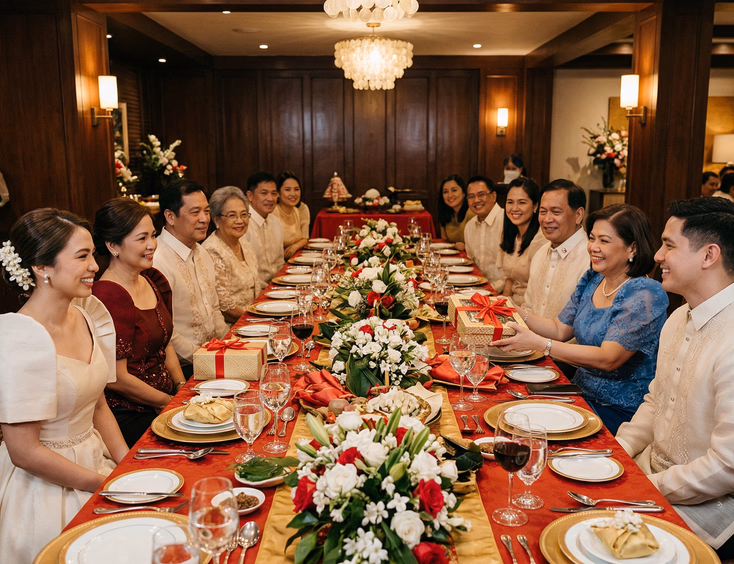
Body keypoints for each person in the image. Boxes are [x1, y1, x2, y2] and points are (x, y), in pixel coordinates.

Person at [0, 208, 128, 562]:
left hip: (97, 458)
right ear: (42, 267)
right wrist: (99, 485)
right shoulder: (19, 337)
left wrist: (126, 464)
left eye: (93, 254)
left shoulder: (88, 313)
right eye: (82, 256)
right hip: (45, 486)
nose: (95, 267)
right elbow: (23, 452)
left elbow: (98, 403)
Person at [617, 198, 734, 558]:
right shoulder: (677, 317)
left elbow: (727, 465)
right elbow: (657, 399)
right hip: (651, 471)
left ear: (708, 254)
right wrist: (618, 454)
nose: (657, 256)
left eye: (669, 245)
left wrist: (646, 487)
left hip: (710, 505)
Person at [492, 204, 668, 434]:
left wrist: (540, 345)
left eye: (604, 241)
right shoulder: (595, 279)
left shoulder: (644, 293)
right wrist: (516, 311)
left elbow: (608, 358)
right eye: (592, 238)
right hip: (579, 393)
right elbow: (559, 329)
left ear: (632, 248)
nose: (593, 247)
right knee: (507, 409)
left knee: (528, 430)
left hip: (618, 410)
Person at [92, 198, 186, 446]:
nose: (152, 245)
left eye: (153, 236)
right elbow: (117, 378)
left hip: (164, 398)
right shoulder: (108, 295)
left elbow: (165, 343)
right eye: (141, 238)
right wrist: (168, 403)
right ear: (113, 245)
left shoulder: (151, 279)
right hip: (131, 413)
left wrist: (181, 388)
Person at [153, 179, 229, 377]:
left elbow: (213, 309)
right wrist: (203, 357)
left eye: (206, 211)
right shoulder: (157, 261)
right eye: (195, 212)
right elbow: (165, 331)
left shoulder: (202, 252)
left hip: (213, 356)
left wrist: (229, 344)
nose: (204, 219)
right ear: (170, 216)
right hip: (181, 367)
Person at [524, 179, 589, 319]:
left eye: (556, 212)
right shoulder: (540, 253)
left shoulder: (590, 260)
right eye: (543, 211)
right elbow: (528, 307)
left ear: (578, 215)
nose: (547, 219)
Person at [202, 186, 261, 323]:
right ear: (216, 219)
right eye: (232, 215)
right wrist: (257, 319)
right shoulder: (212, 250)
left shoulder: (245, 245)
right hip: (233, 327)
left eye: (244, 214)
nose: (240, 221)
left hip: (254, 318)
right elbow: (225, 307)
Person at [495, 177, 547, 306]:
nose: (514, 208)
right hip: (512, 306)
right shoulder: (511, 234)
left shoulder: (541, 240)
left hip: (529, 311)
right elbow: (509, 280)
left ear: (535, 205)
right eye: (510, 202)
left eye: (522, 202)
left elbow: (541, 292)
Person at [242, 171, 285, 287]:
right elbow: (245, 273)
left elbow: (280, 262)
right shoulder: (242, 225)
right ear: (250, 196)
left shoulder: (275, 222)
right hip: (254, 291)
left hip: (277, 288)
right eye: (264, 193)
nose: (270, 198)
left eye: (274, 193)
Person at [463, 175, 505, 292]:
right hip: (478, 290)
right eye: (471, 196)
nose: (476, 200)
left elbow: (514, 272)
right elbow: (471, 265)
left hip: (504, 292)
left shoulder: (507, 221)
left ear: (494, 196)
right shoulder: (469, 226)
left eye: (481, 194)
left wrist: (490, 289)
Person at [272, 171, 310, 259]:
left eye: (296, 189)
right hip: (277, 262)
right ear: (277, 193)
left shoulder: (297, 211)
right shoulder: (273, 212)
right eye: (287, 189)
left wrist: (295, 246)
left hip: (294, 258)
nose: (293, 194)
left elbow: (305, 238)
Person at [437, 175, 474, 249]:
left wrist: (467, 247)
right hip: (454, 256)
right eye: (445, 192)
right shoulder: (445, 213)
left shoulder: (472, 213)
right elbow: (445, 240)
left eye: (454, 190)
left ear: (464, 193)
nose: (450, 195)